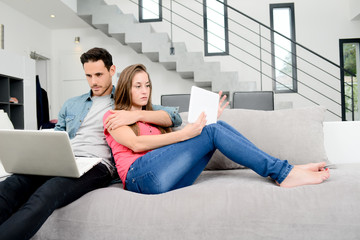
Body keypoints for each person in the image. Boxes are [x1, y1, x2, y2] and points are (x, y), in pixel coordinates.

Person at [0, 48, 181, 240]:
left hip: (97, 165)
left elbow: (174, 116)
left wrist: (136, 114)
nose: (94, 81)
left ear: (112, 71)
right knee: (10, 186)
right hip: (65, 159)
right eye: (88, 75)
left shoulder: (125, 100)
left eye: (99, 75)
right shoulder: (72, 104)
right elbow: (57, 135)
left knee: (45, 195)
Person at [103, 63, 330, 195]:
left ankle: (286, 169)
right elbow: (136, 144)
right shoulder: (112, 117)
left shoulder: (153, 117)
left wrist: (206, 119)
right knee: (212, 131)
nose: (145, 90)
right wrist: (185, 134)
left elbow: (172, 146)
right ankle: (283, 173)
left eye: (148, 85)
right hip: (139, 178)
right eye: (138, 86)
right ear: (126, 88)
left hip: (164, 176)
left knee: (214, 125)